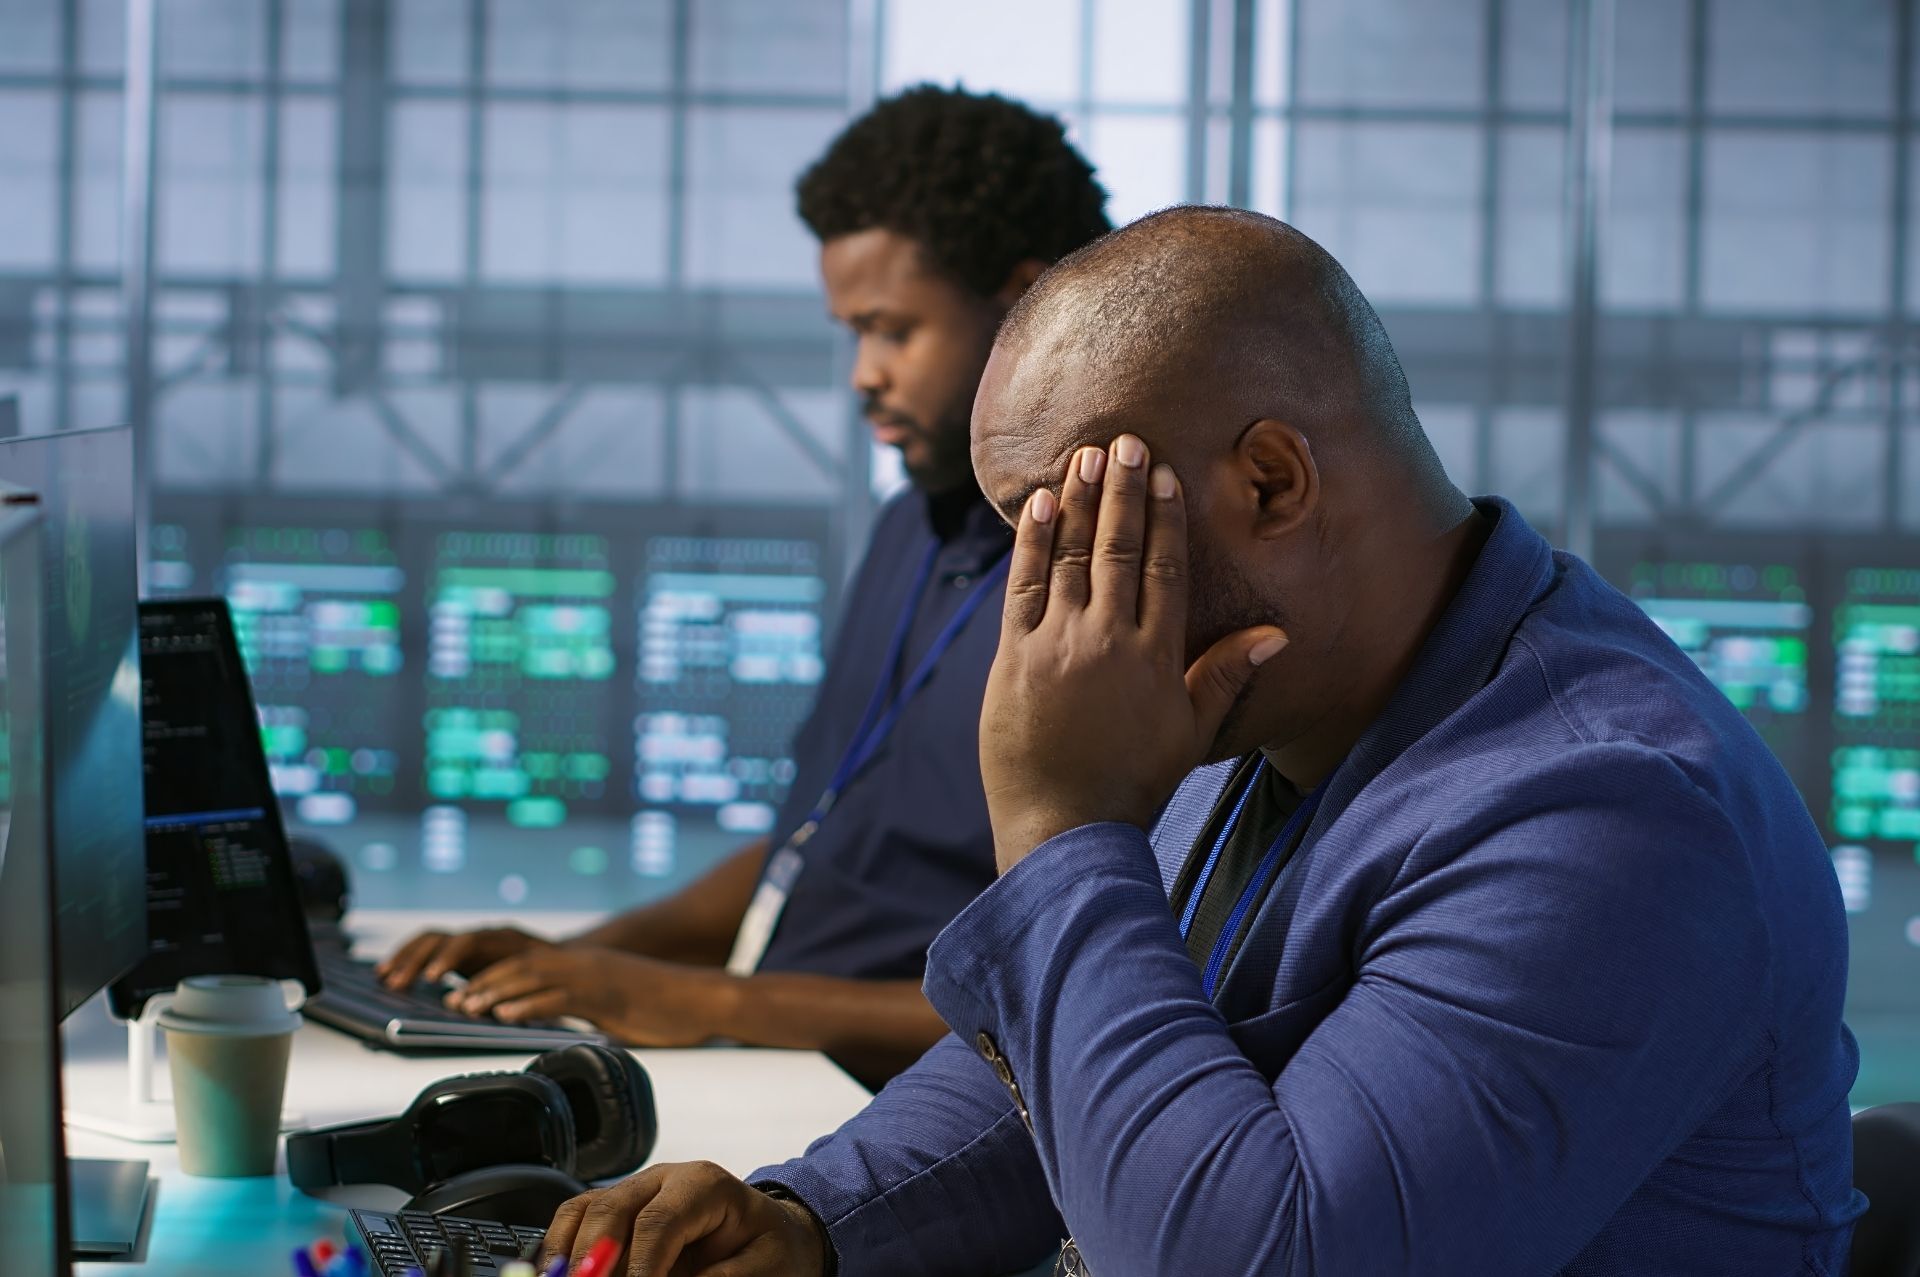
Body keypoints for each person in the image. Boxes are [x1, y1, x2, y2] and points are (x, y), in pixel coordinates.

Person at [536, 206, 1864, 1275]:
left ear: (1271, 481)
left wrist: (1061, 829)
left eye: (1072, 535)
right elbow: (1062, 1072)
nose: (1038, 618)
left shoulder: (1610, 815)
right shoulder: (1274, 703)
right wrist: (811, 1222)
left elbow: (1256, 1254)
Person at [378, 86, 1112, 1089]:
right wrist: (581, 959)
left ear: (1023, 309)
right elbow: (815, 848)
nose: (863, 374)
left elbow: (1064, 1001)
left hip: (903, 1111)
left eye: (892, 330)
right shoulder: (914, 525)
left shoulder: (1097, 593)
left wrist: (707, 1002)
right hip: (772, 1067)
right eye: (852, 333)